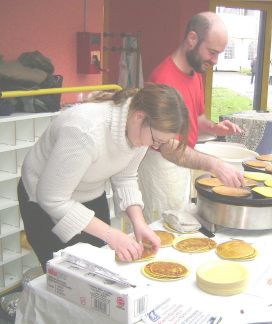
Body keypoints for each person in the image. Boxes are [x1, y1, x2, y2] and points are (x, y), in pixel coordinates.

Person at [17, 84, 242, 271]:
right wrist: (110, 234)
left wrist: (139, 222)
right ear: (139, 117)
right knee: (64, 274)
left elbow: (126, 176)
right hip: (42, 199)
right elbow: (53, 199)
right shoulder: (85, 131)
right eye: (157, 140)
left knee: (97, 266)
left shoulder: (141, 129)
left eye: (162, 143)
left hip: (87, 192)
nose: (156, 146)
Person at [138, 11, 242, 223]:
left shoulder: (195, 72)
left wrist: (215, 127)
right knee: (164, 229)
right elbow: (168, 146)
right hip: (162, 165)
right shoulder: (163, 79)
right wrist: (215, 164)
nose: (215, 60)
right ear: (192, 39)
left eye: (219, 54)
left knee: (180, 223)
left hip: (182, 161)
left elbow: (198, 117)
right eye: (212, 52)